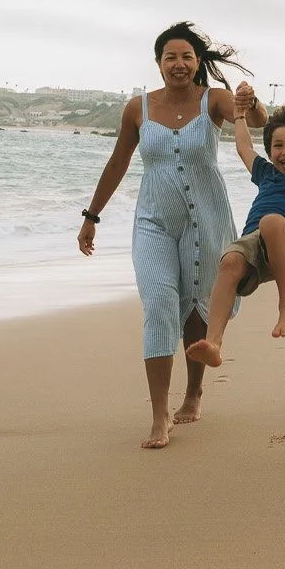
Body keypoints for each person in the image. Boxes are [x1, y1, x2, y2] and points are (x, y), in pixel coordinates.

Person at [77, 22, 262, 449]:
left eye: (187, 57)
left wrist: (250, 104)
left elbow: (253, 118)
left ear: (199, 63)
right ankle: (160, 414)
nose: (178, 64)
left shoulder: (214, 99)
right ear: (159, 63)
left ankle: (193, 394)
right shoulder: (137, 108)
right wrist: (92, 216)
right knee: (160, 300)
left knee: (198, 306)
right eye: (170, 57)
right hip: (154, 221)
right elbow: (118, 162)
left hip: (208, 219)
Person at [185, 59, 285, 366]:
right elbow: (242, 147)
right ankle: (213, 343)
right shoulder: (265, 173)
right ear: (269, 150)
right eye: (278, 145)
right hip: (256, 240)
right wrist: (238, 114)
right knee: (229, 260)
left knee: (272, 222)